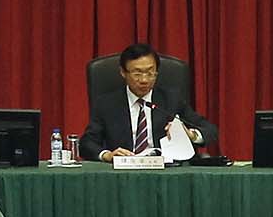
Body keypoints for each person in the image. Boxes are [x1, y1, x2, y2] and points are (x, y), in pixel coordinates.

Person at [86, 43, 215, 158]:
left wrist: (191, 135)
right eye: (137, 73)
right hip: (123, 169)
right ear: (123, 72)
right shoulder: (106, 104)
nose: (144, 80)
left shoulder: (172, 99)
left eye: (150, 73)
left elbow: (210, 130)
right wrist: (107, 155)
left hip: (165, 169)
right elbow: (87, 143)